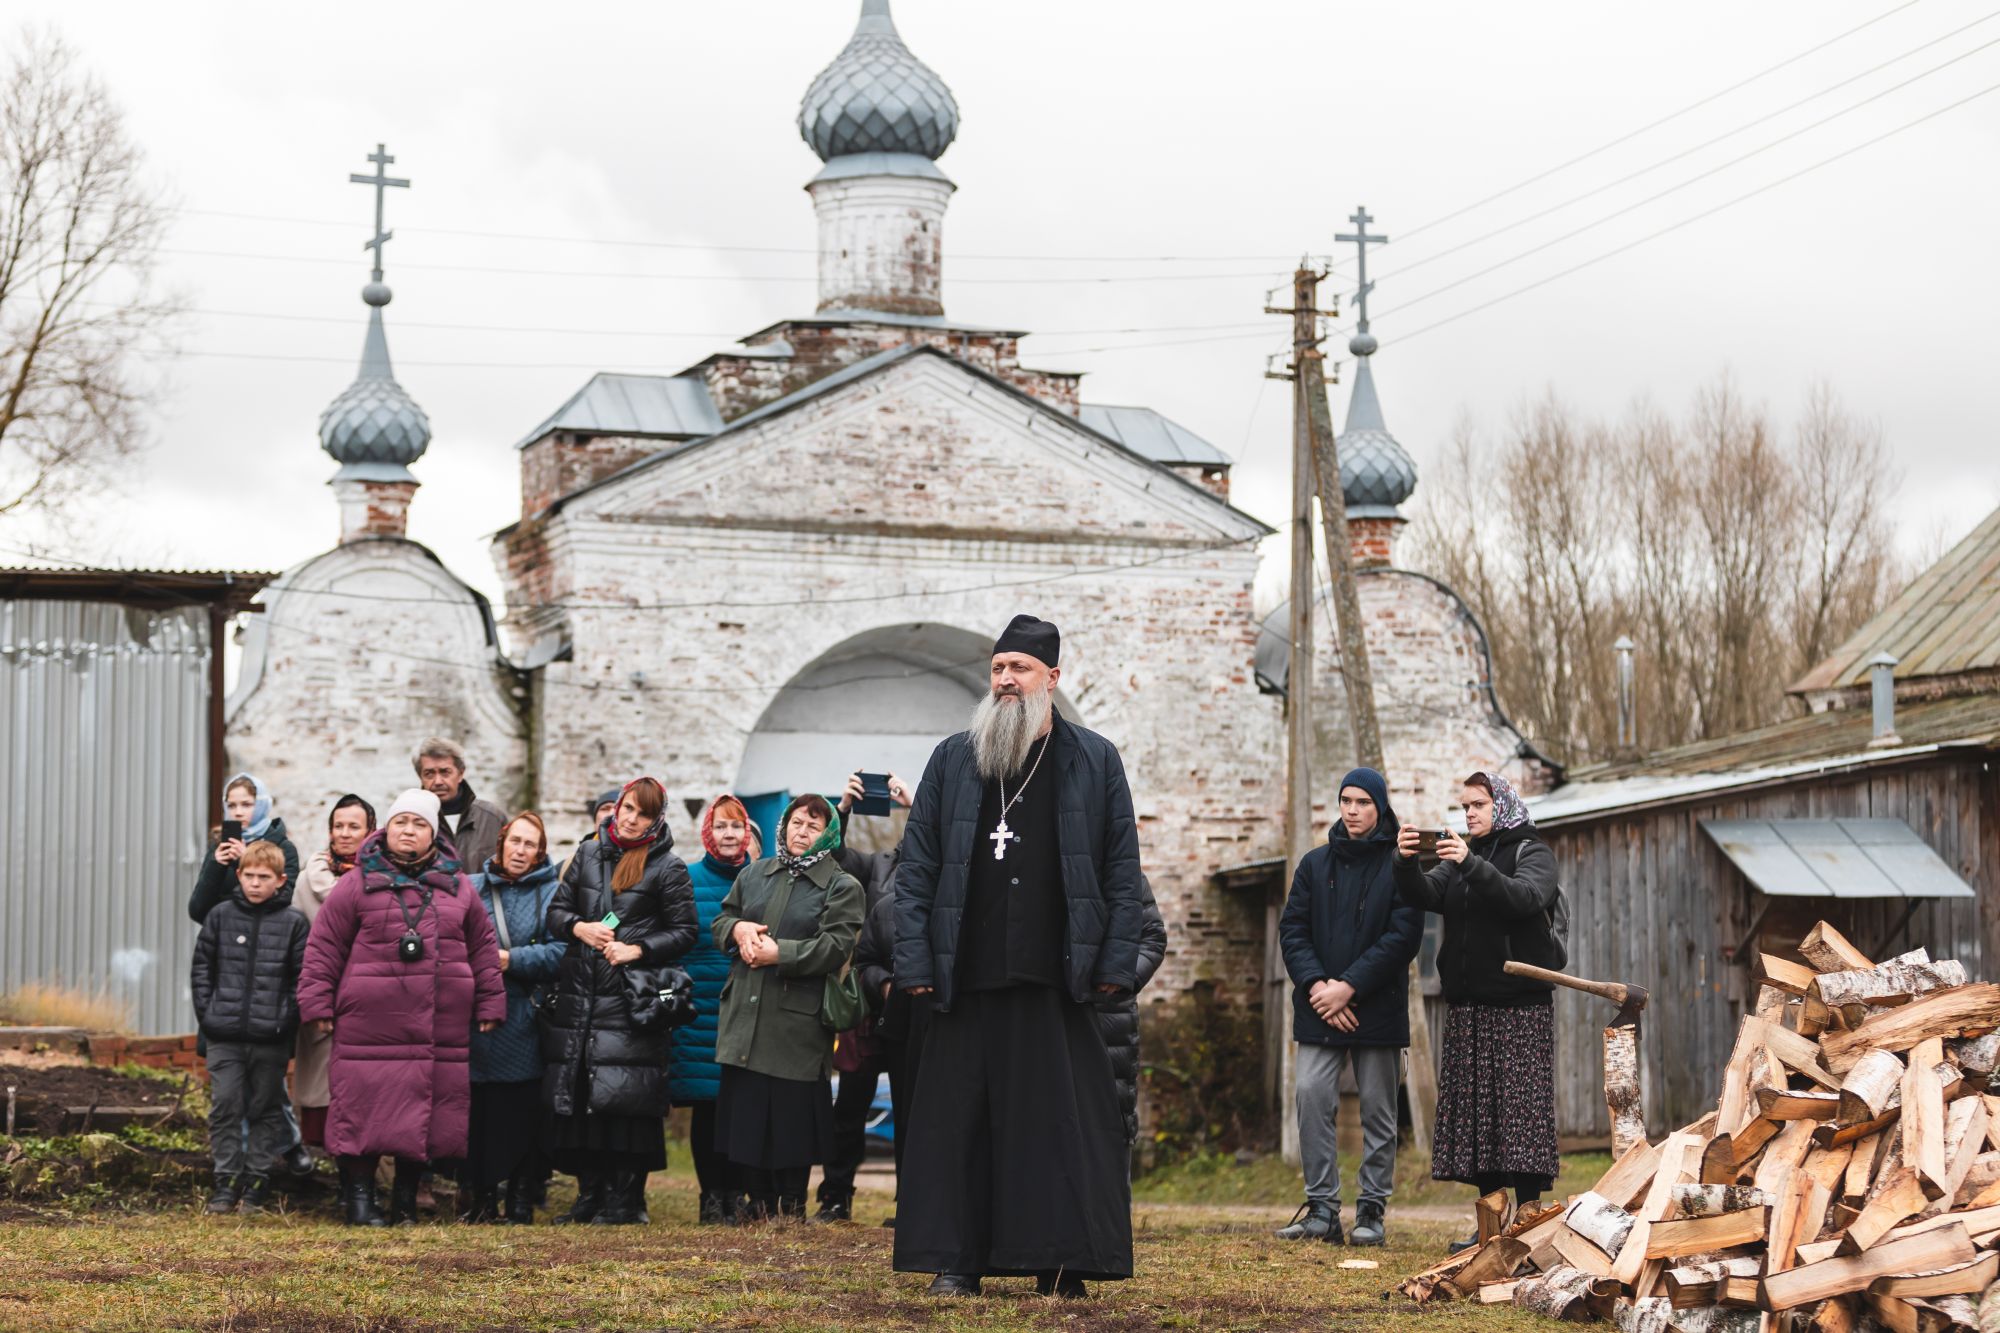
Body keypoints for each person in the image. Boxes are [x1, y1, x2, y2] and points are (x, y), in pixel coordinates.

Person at [893, 614, 1145, 1299]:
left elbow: (1122, 870)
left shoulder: (1094, 759)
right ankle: (957, 1258)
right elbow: (915, 871)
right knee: (959, 1127)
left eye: (1020, 669)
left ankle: (1059, 1261)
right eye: (998, 667)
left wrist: (1117, 965)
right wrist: (913, 963)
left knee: (1054, 1132)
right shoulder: (952, 757)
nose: (1005, 679)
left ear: (1052, 680)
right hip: (965, 978)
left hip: (1055, 980)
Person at [296, 789, 507, 1227]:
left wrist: (490, 1000)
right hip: (369, 1022)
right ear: (386, 829)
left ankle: (406, 1202)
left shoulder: (459, 886)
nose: (408, 831)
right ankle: (359, 1200)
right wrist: (316, 1002)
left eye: (418, 824)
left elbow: (483, 946)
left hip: (438, 1025)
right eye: (400, 823)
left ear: (433, 833)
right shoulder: (356, 881)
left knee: (425, 1113)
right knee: (361, 1109)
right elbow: (325, 945)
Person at [1394, 770, 1562, 1251]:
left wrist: (1470, 864)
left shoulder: (1532, 852)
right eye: (1464, 806)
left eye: (1478, 806)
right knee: (1480, 1119)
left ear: (1501, 806)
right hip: (1469, 1007)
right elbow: (1425, 896)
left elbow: (1525, 899)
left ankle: (1530, 1220)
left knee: (1520, 1117)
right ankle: (1490, 1223)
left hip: (1519, 1005)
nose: (1468, 814)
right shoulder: (1461, 854)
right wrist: (1405, 862)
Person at [1275, 767, 1426, 1248]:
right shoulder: (1314, 865)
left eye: (1362, 801)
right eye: (1346, 800)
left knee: (1379, 1112)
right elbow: (1293, 930)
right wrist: (1321, 986)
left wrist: (1350, 988)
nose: (1353, 809)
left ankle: (1371, 1211)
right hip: (1320, 1007)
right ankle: (1321, 1210)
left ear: (1379, 807)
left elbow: (1403, 937)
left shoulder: (1401, 865)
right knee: (1311, 1095)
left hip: (1375, 1009)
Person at [542, 777, 697, 1227]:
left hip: (630, 1002)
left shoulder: (668, 867)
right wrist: (579, 928)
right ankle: (588, 1196)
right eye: (627, 808)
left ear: (656, 819)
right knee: (585, 1097)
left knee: (626, 1099)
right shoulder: (589, 853)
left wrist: (638, 949)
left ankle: (624, 1200)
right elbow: (556, 913)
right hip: (582, 998)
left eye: (642, 814)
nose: (630, 819)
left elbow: (686, 932)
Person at [711, 794, 865, 1221]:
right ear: (784, 825)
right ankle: (757, 1202)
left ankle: (791, 1204)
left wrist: (782, 954)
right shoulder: (756, 872)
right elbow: (722, 921)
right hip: (747, 1010)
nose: (802, 832)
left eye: (813, 827)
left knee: (792, 1116)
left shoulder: (842, 885)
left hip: (797, 1019)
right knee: (748, 1111)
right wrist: (738, 929)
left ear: (828, 835)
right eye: (797, 822)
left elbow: (837, 945)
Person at [191, 840, 311, 1215]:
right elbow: (201, 970)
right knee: (225, 1106)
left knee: (265, 1109)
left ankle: (257, 1183)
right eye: (249, 876)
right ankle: (225, 1183)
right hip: (223, 1035)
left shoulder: (293, 923)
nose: (256, 884)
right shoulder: (220, 916)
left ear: (280, 880)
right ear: (239, 875)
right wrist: (209, 1016)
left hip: (271, 1038)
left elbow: (300, 979)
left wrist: (284, 1021)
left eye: (264, 877)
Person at [818, 771, 913, 1222]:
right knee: (850, 1107)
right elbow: (831, 855)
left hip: (918, 1013)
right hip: (867, 1011)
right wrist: (844, 809)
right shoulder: (878, 866)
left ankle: (912, 1204)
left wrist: (916, 804)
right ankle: (836, 1197)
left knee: (916, 1111)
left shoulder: (947, 874)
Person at [466, 812, 565, 1224]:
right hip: (474, 1016)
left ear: (539, 853)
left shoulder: (553, 894)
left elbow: (562, 952)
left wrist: (513, 959)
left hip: (525, 1014)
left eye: (530, 845)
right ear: (501, 844)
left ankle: (520, 1198)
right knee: (478, 1112)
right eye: (515, 842)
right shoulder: (471, 890)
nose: (521, 851)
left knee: (521, 1112)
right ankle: (481, 1198)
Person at [670, 794, 754, 1225]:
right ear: (708, 832)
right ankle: (709, 1198)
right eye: (721, 826)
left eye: (736, 826)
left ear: (746, 833)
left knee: (738, 1106)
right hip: (700, 1005)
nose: (728, 834)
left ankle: (734, 1194)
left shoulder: (760, 878)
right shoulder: (687, 878)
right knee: (706, 1106)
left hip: (746, 1006)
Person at [292, 794, 376, 1151]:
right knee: (324, 1092)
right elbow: (297, 944)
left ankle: (361, 1173)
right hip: (325, 994)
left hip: (370, 998)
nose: (344, 833)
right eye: (338, 826)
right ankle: (338, 1173)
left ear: (370, 832)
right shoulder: (306, 881)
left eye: (353, 826)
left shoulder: (382, 879)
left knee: (369, 1093)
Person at [1097, 878, 1170, 1149]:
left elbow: (1153, 936)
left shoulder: (1123, 872)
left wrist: (1121, 978)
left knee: (1112, 1129)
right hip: (1051, 1019)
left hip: (1112, 1019)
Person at [188, 773, 300, 923]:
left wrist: (245, 859)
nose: (238, 813)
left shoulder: (283, 848)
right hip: (223, 937)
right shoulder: (221, 846)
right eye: (231, 806)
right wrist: (216, 866)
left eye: (246, 805)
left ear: (262, 805)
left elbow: (283, 901)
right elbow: (197, 911)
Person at [414, 737, 509, 874]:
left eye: (445, 772)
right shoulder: (409, 823)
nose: (438, 781)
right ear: (420, 777)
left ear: (461, 774)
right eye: (429, 774)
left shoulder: (492, 818)